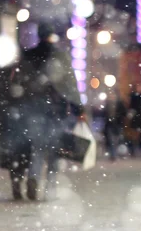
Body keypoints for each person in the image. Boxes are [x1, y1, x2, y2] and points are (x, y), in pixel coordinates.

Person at [8, 22, 84, 201]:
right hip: (55, 110)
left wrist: (19, 102)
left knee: (37, 149)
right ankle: (50, 187)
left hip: (32, 110)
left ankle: (33, 178)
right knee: (55, 150)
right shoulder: (60, 56)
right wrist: (78, 106)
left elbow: (18, 82)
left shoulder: (29, 56)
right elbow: (70, 85)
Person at [102, 92, 126, 161]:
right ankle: (113, 155)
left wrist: (119, 117)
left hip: (118, 124)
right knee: (111, 140)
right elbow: (104, 114)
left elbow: (124, 112)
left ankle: (119, 154)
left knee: (119, 140)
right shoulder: (107, 104)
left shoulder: (119, 103)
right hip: (110, 125)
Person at [126, 83, 141, 158]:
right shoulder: (134, 97)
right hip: (136, 120)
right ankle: (133, 152)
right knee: (133, 137)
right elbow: (131, 107)